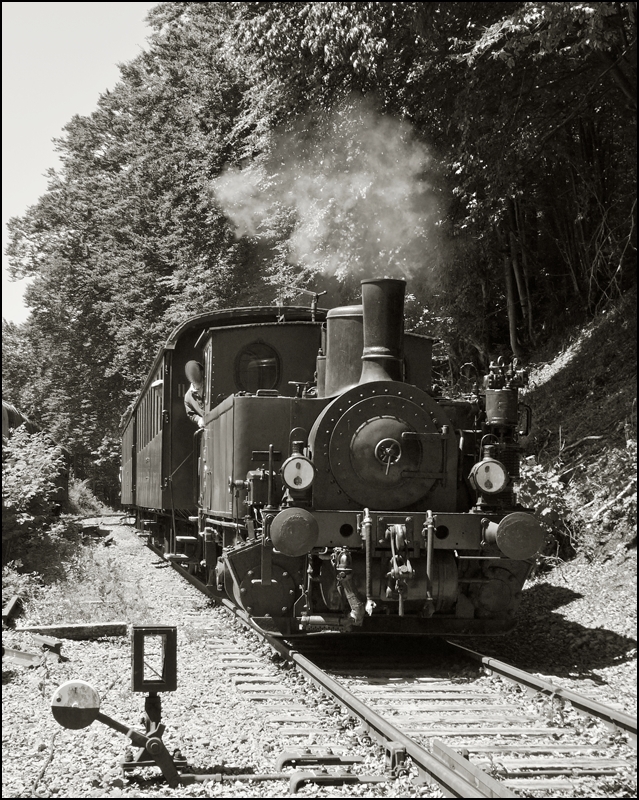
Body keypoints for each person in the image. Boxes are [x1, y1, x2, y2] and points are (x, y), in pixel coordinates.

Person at [184, 361, 205, 428]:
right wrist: (199, 420)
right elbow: (191, 414)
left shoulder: (210, 386)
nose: (193, 374)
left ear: (201, 372)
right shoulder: (188, 397)